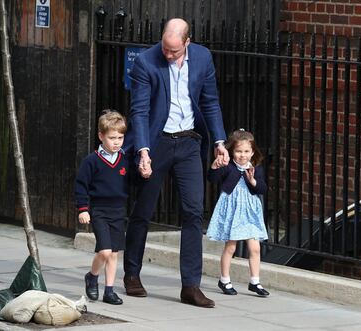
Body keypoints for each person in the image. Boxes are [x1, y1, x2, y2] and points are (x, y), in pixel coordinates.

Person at [123, 18, 229, 308]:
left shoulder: (203, 58)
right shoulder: (146, 63)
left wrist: (220, 141)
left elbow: (210, 102)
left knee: (194, 212)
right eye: (165, 48)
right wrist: (143, 151)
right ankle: (131, 273)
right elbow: (140, 112)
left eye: (173, 51)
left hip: (189, 142)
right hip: (157, 142)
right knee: (143, 210)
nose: (167, 55)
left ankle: (190, 286)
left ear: (187, 42)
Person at [206, 129, 270, 297]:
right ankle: (224, 280)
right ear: (231, 151)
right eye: (238, 151)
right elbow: (212, 179)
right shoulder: (228, 166)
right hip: (232, 209)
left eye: (247, 151)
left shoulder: (255, 168)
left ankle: (255, 281)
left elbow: (263, 189)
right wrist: (214, 166)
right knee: (231, 246)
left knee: (255, 248)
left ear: (253, 151)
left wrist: (253, 181)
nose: (243, 155)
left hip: (250, 211)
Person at [75, 110, 129, 305]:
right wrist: (83, 209)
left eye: (120, 137)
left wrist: (144, 173)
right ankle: (92, 276)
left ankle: (109, 290)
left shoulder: (125, 160)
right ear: (101, 136)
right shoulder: (92, 161)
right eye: (112, 137)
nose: (117, 141)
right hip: (99, 211)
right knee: (105, 251)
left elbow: (132, 183)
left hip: (119, 211)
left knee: (114, 253)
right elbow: (81, 185)